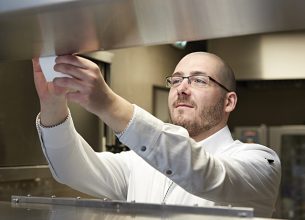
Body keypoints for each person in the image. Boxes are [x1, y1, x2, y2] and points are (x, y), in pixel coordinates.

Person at [33, 52, 281, 217]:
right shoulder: (139, 163)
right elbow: (71, 169)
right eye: (175, 80)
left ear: (229, 101)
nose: (182, 89)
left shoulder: (259, 162)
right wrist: (52, 104)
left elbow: (205, 174)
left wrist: (109, 105)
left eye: (199, 80)